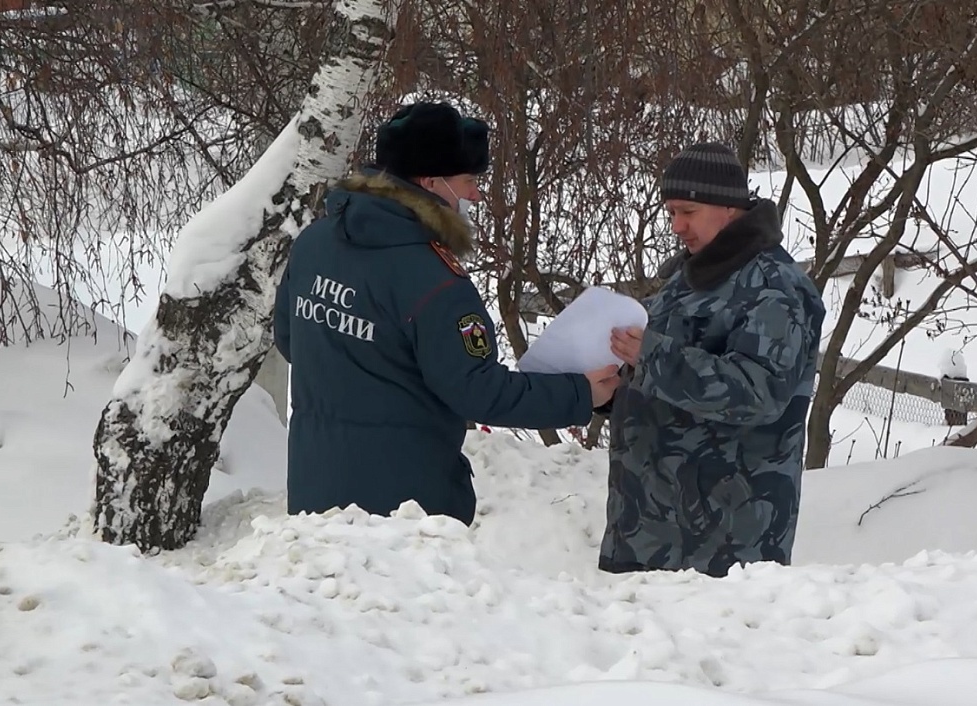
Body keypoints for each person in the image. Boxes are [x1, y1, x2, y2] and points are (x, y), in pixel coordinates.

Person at [273, 100, 619, 526]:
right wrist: (582, 394)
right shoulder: (434, 280)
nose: (475, 195)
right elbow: (480, 391)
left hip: (314, 495)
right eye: (468, 181)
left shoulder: (314, 243)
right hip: (404, 511)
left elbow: (290, 340)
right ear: (431, 181)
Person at [597, 142, 826, 578]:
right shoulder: (687, 277)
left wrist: (653, 357)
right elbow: (667, 377)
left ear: (729, 207)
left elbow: (759, 393)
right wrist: (612, 384)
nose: (677, 226)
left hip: (723, 543)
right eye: (671, 213)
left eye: (688, 211)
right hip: (647, 526)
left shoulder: (773, 287)